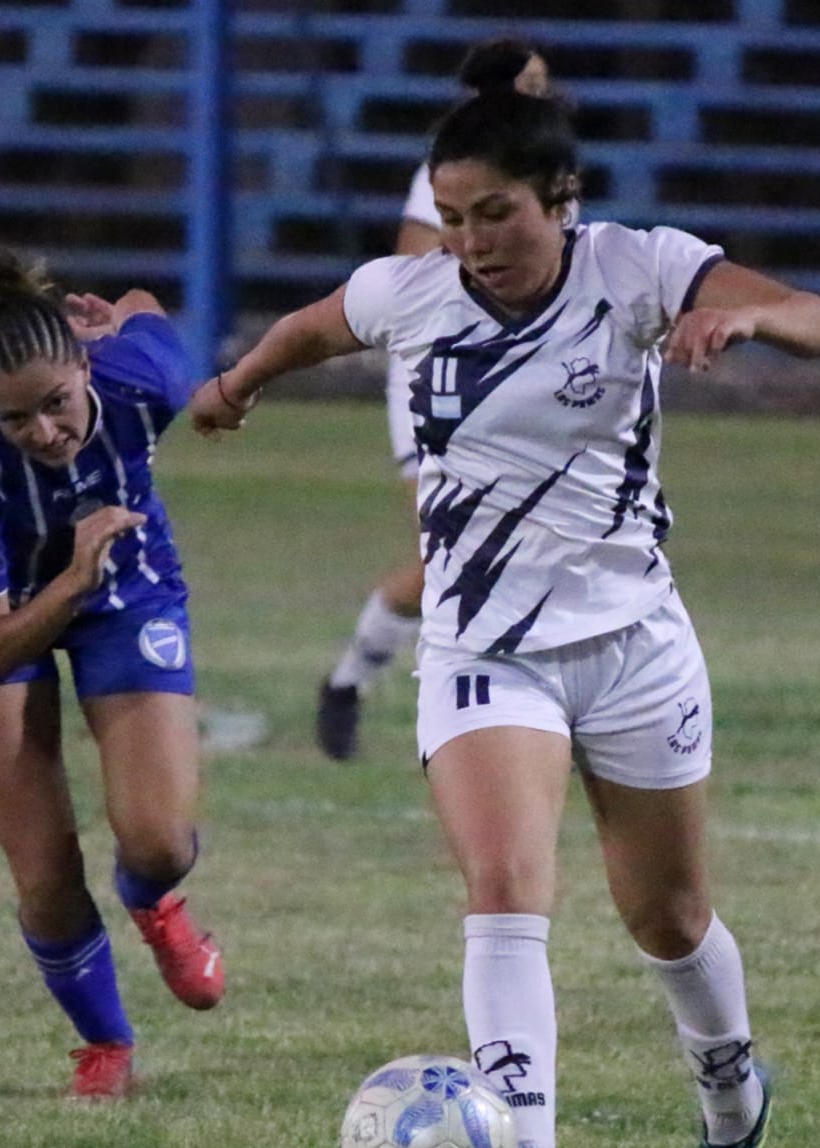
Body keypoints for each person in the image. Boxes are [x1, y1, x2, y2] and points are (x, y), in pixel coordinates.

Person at [192, 91, 820, 1148]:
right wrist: (237, 385)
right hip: (483, 650)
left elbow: (819, 318)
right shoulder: (416, 295)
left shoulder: (638, 268)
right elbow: (309, 325)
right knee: (503, 889)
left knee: (668, 916)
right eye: (449, 216)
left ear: (560, 200)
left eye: (492, 213)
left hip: (632, 642)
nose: (467, 241)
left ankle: (733, 1109)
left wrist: (744, 326)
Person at [0, 242, 226, 1100]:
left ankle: (153, 900)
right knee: (46, 875)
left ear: (87, 364)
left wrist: (122, 308)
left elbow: (145, 298)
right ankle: (107, 1044)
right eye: (17, 419)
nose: (45, 433)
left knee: (159, 837)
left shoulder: (148, 382)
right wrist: (68, 580)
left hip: (127, 585)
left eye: (57, 404)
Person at [316, 37, 553, 761]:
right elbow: (415, 265)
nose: (549, 92)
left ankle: (499, 706)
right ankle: (372, 685)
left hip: (523, 385)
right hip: (443, 383)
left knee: (517, 549)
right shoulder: (460, 164)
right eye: (535, 82)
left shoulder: (550, 167)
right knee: (456, 552)